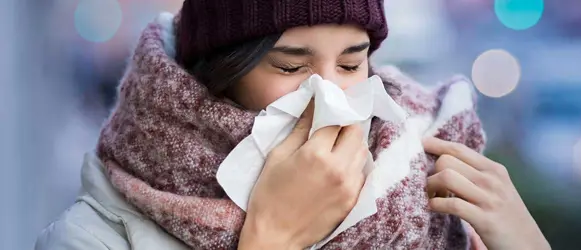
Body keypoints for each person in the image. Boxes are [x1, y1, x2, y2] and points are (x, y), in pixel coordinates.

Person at [35, 0, 550, 249]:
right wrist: (271, 237)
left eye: (351, 65)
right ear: (220, 70)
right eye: (290, 66)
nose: (330, 95)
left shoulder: (427, 182)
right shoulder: (92, 238)